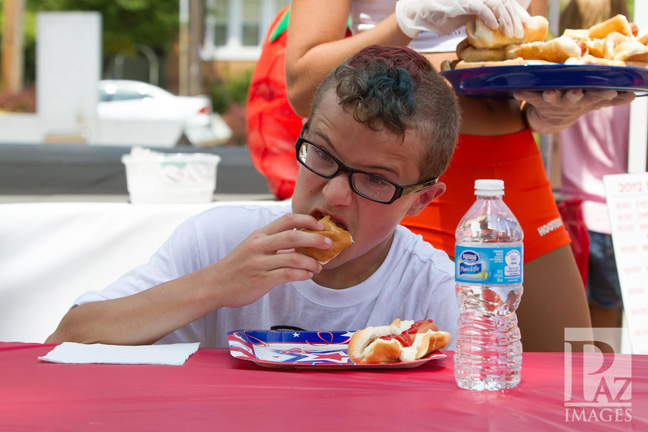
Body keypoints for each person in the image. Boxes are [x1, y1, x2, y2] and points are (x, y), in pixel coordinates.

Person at [46, 45, 461, 348]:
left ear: (420, 201)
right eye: (321, 153)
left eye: (374, 179)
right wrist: (216, 284)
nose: (334, 194)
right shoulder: (220, 241)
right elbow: (67, 338)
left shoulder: (432, 290)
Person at [285, 0, 635, 351]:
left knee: (567, 372)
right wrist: (406, 20)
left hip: (511, 168)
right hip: (393, 180)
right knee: (392, 380)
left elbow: (524, 63)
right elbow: (302, 87)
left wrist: (550, 108)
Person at [557, 0, 632, 350]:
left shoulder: (558, 85)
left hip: (569, 211)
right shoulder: (627, 89)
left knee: (573, 328)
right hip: (616, 215)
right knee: (606, 332)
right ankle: (600, 399)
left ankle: (572, 397)